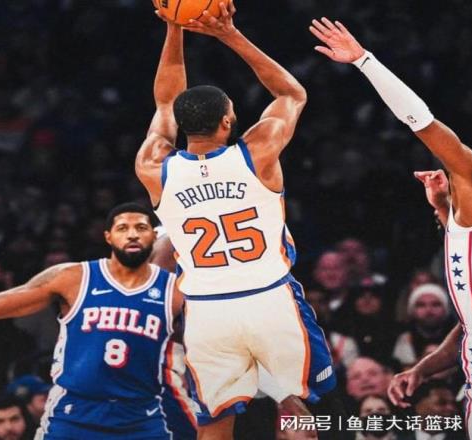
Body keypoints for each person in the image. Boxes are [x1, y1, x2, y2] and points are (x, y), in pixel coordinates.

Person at [136, 4, 336, 439]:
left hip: (208, 311)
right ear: (228, 120)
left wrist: (174, 27)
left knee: (215, 421)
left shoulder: (154, 166)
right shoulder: (258, 153)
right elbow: (291, 94)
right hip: (270, 298)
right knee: (294, 406)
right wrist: (228, 33)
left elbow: (166, 100)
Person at [309, 17, 472, 435]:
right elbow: (468, 325)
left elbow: (421, 121)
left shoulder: (470, 176)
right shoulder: (458, 216)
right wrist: (423, 368)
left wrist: (365, 61)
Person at [0, 202, 184, 439]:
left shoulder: (176, 290)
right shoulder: (73, 278)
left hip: (142, 417)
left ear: (154, 236)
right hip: (74, 415)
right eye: (123, 228)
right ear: (108, 236)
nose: (132, 234)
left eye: (141, 228)